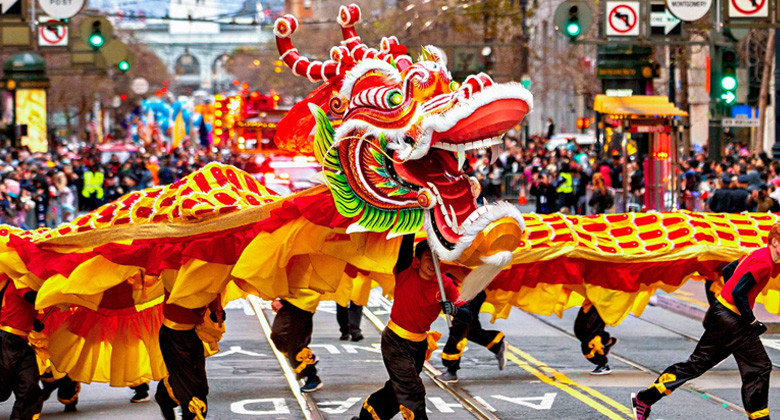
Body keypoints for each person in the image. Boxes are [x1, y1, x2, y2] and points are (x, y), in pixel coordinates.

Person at [631, 223, 780, 420]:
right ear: (775, 241)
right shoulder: (764, 263)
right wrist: (752, 321)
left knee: (759, 366)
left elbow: (729, 270)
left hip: (729, 317)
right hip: (729, 321)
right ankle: (645, 398)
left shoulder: (758, 254)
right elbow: (738, 293)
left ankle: (760, 417)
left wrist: (728, 301)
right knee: (698, 365)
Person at [353, 236, 472, 420]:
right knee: (412, 390)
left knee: (397, 390)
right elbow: (406, 247)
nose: (433, 263)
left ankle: (367, 417)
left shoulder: (444, 284)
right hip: (395, 342)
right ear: (417, 261)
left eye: (437, 259)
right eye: (428, 258)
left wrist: (455, 310)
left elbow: (467, 314)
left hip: (419, 346)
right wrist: (413, 214)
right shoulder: (405, 272)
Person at [154, 295, 225, 420]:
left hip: (192, 335)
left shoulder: (208, 278)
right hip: (173, 337)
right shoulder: (174, 275)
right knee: (192, 396)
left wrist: (216, 312)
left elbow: (213, 292)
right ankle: (167, 395)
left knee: (200, 387)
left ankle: (165, 393)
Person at [438, 289, 507, 383]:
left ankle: (451, 369)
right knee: (470, 328)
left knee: (460, 327)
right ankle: (495, 343)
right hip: (464, 292)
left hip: (471, 292)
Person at [0, 281, 44, 420]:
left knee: (30, 387)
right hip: (5, 342)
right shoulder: (18, 282)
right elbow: (32, 297)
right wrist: (58, 294)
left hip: (22, 345)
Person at [270, 289, 323, 393]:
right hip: (291, 299)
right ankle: (309, 359)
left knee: (294, 344)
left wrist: (283, 301)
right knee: (277, 335)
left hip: (303, 303)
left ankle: (311, 376)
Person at [574, 300, 618, 375]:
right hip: (592, 300)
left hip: (602, 300)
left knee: (590, 339)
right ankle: (607, 341)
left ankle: (603, 364)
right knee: (580, 330)